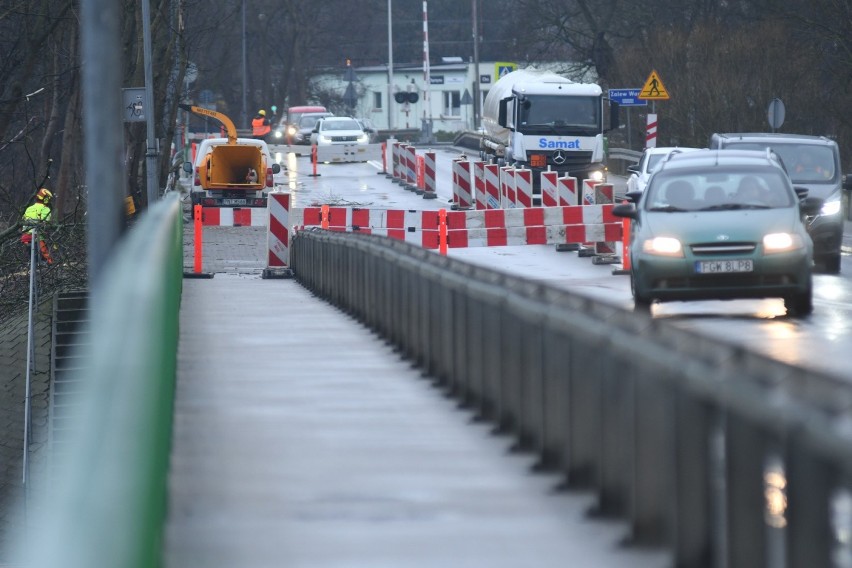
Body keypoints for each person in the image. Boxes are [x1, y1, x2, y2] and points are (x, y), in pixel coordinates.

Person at [20, 187, 54, 264]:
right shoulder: (46, 209)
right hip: (37, 236)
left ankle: (32, 266)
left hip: (25, 237)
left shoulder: (29, 208)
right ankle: (48, 266)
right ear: (46, 199)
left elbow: (22, 221)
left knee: (32, 257)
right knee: (46, 256)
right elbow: (45, 224)